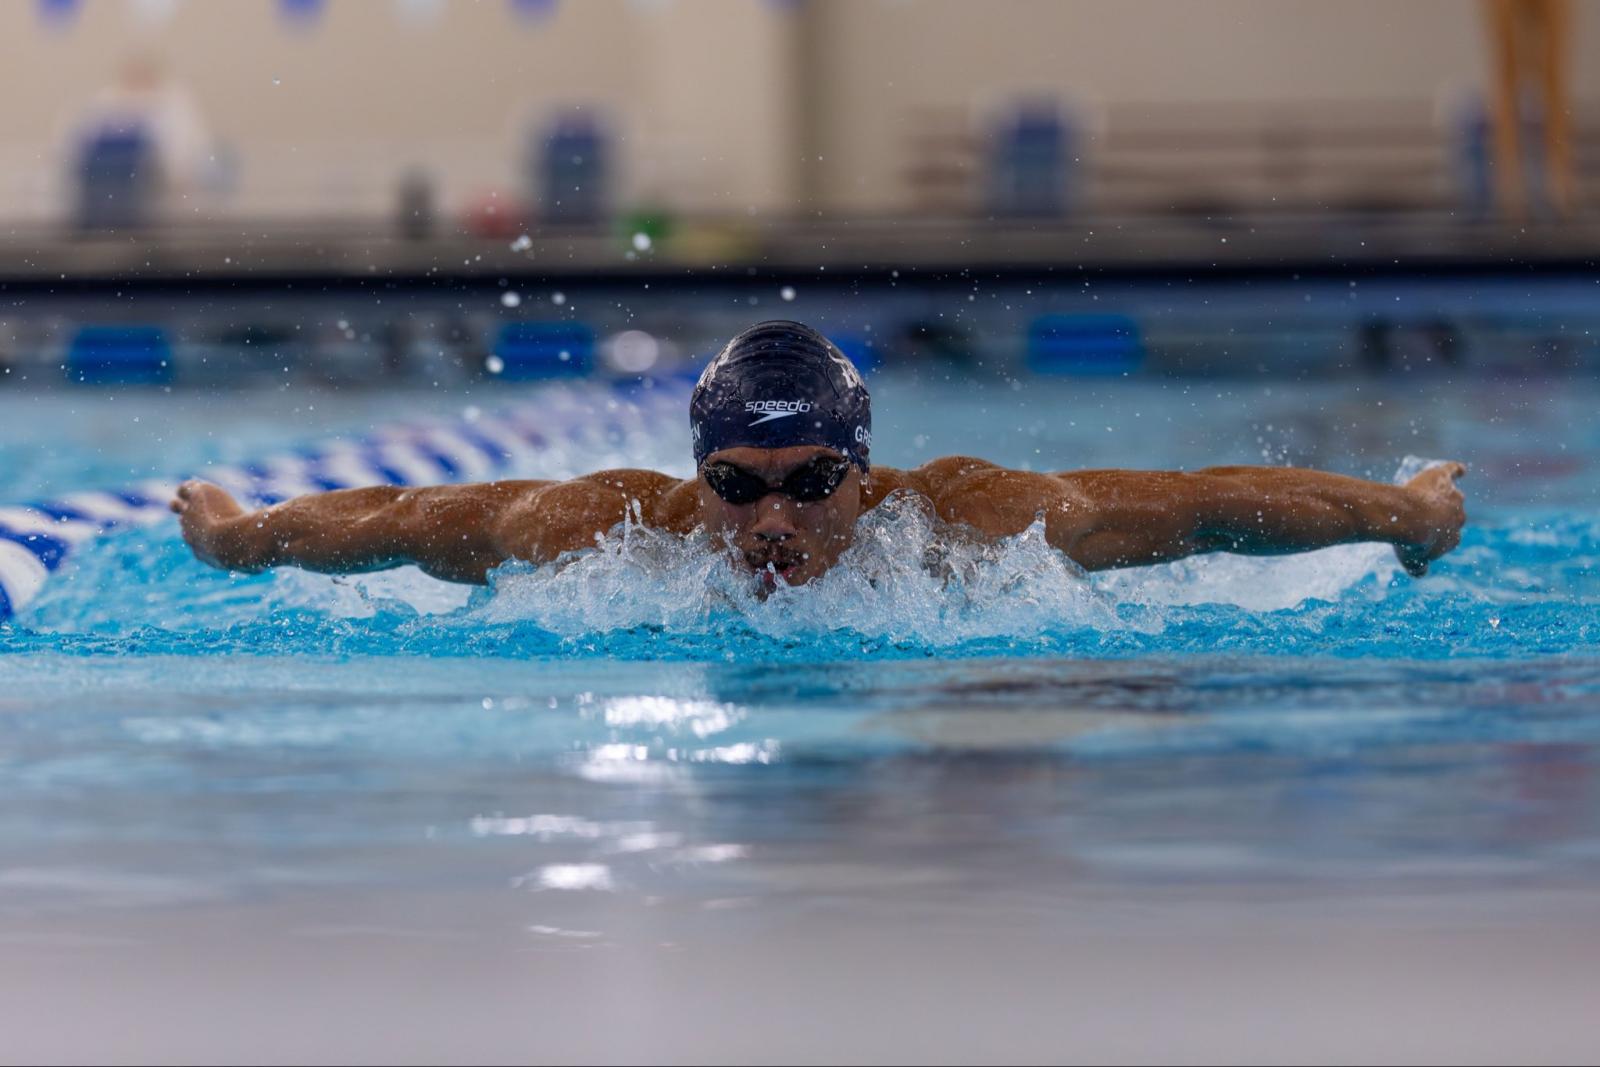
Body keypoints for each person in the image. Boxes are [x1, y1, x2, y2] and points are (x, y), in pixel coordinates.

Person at [171, 320, 1467, 592]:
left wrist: (1406, 515)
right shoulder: (620, 527)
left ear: (864, 472)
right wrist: (239, 537)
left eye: (808, 485)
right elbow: (406, 517)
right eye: (735, 484)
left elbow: (1213, 507)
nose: (768, 519)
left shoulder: (973, 520)